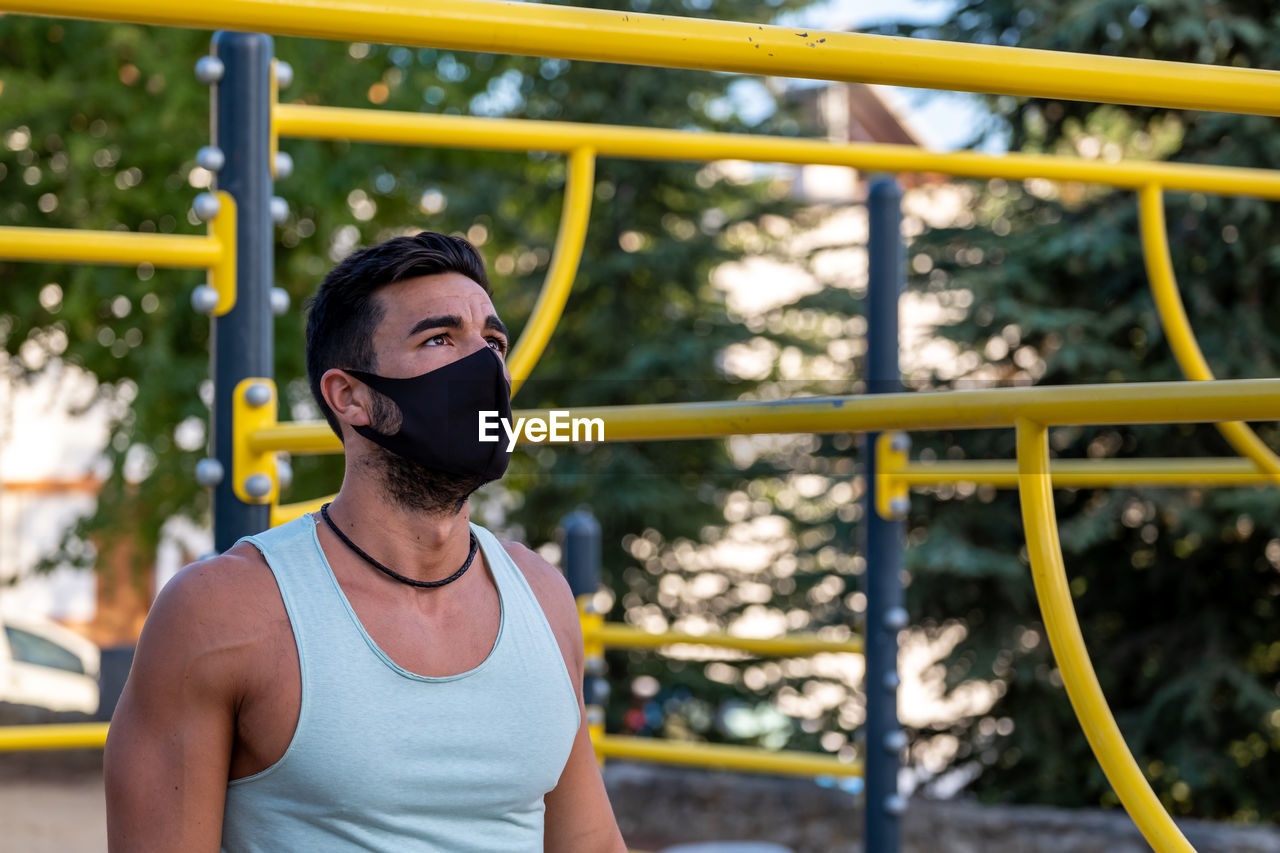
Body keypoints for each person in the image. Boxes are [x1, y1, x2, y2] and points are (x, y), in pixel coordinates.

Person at [104, 232, 628, 852]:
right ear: (349, 396)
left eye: (493, 342)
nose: (485, 367)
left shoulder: (542, 594)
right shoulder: (226, 609)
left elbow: (590, 844)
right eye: (440, 339)